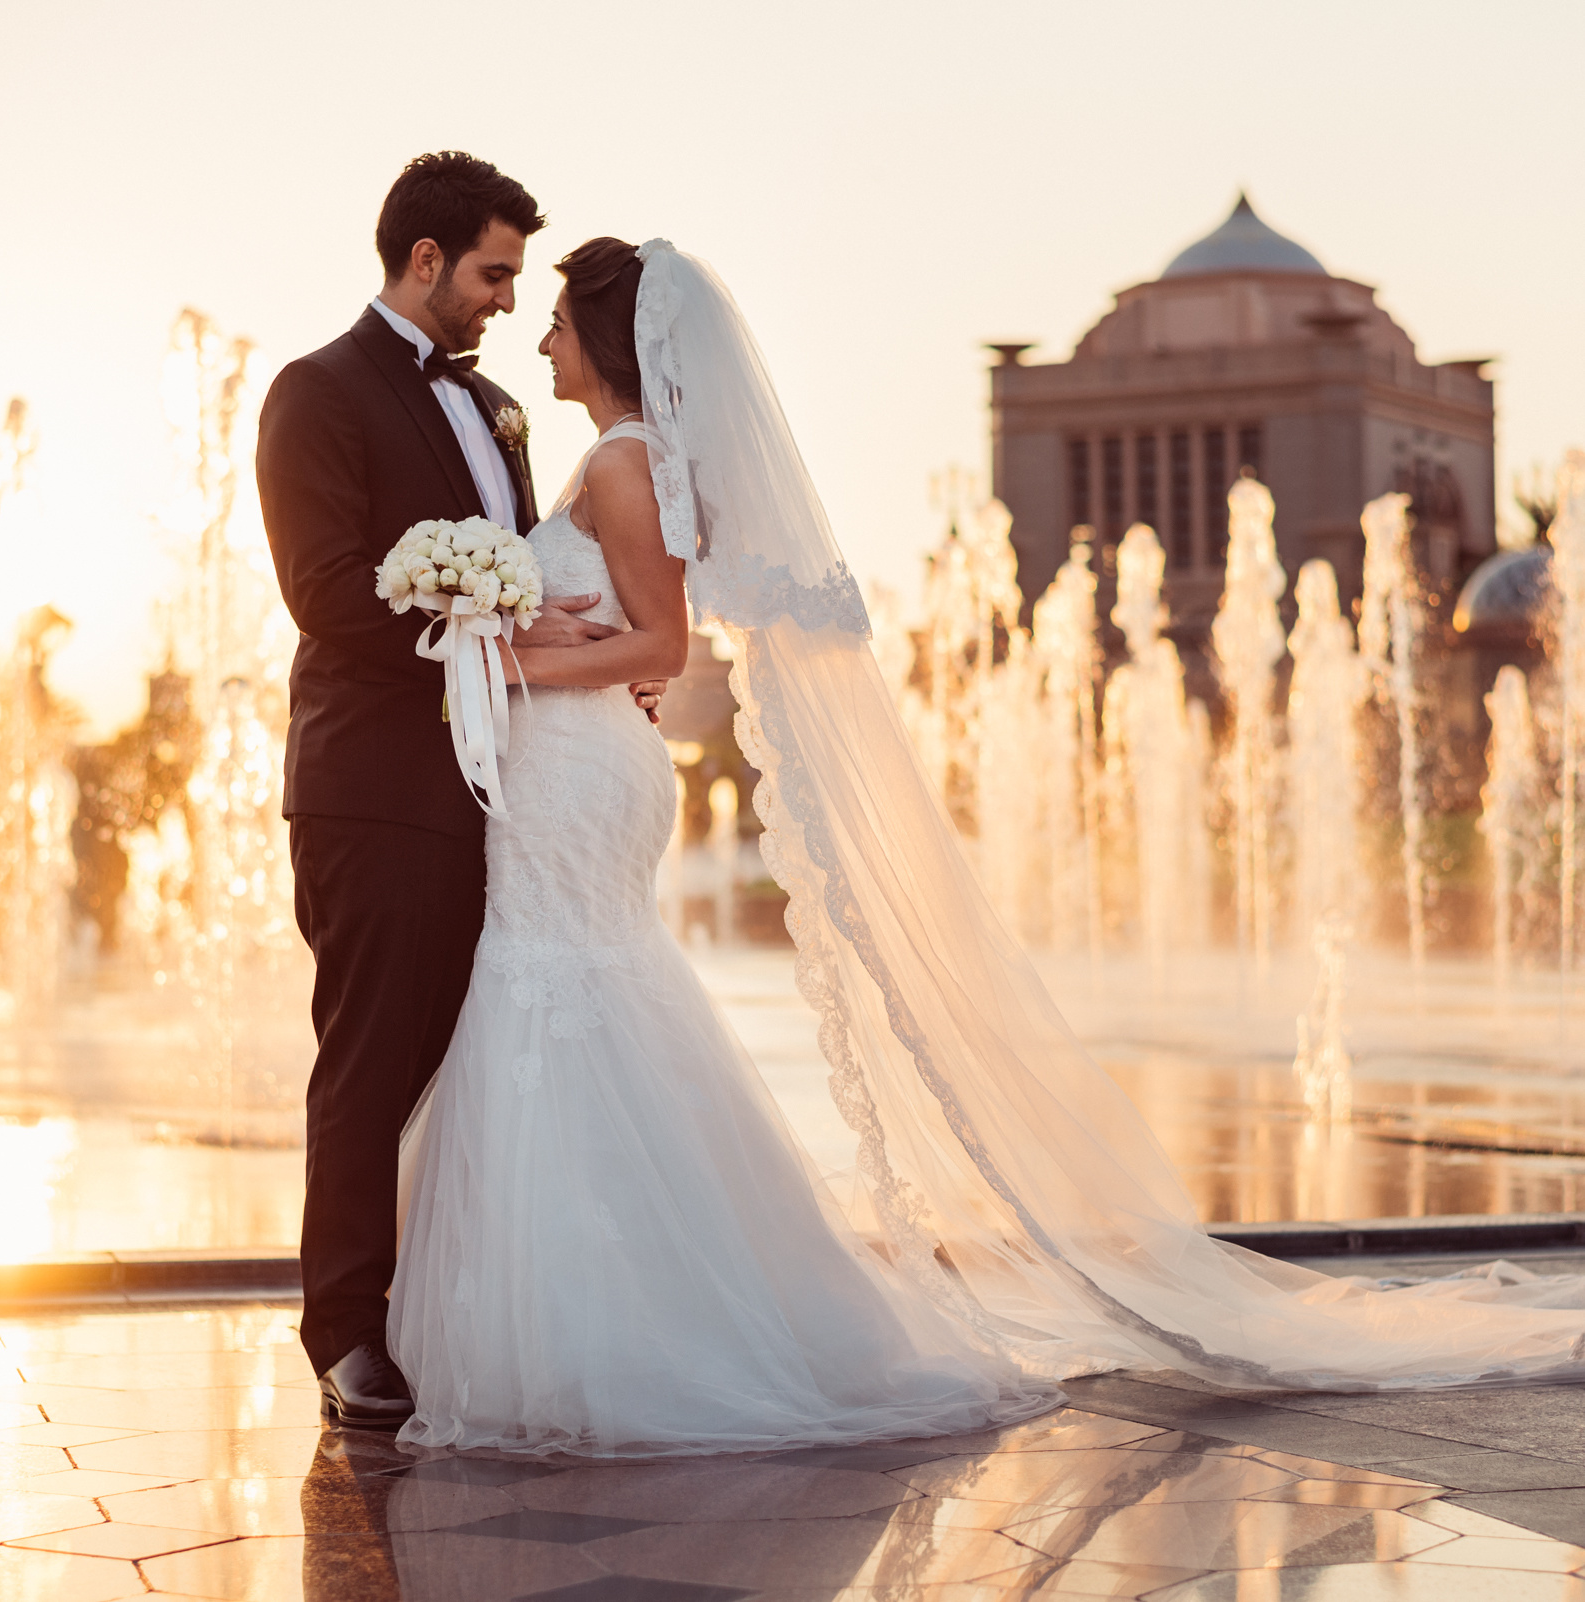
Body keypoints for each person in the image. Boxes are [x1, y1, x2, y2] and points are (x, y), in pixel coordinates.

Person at [390, 237, 1585, 1457]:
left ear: (610, 339)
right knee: (584, 989)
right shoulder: (627, 462)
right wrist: (515, 639)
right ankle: (624, 1307)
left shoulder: (627, 465)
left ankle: (622, 1331)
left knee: (568, 984)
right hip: (568, 772)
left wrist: (503, 655)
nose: (540, 341)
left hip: (582, 772)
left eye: (556, 325)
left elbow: (658, 649)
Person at [256, 155, 666, 1429]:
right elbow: (327, 593)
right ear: (424, 260)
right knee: (372, 1061)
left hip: (505, 790)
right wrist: (500, 633)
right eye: (492, 273)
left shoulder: (500, 409)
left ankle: (455, 1312)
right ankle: (344, 1335)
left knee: (472, 1061)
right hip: (374, 787)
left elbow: (529, 577)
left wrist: (591, 656)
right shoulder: (313, 394)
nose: (504, 301)